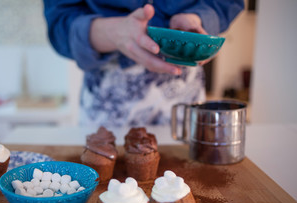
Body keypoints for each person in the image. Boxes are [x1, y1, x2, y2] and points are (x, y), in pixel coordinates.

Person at [43, 1, 244, 127]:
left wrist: (199, 18)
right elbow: (60, 22)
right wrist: (113, 32)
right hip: (106, 95)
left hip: (184, 88)